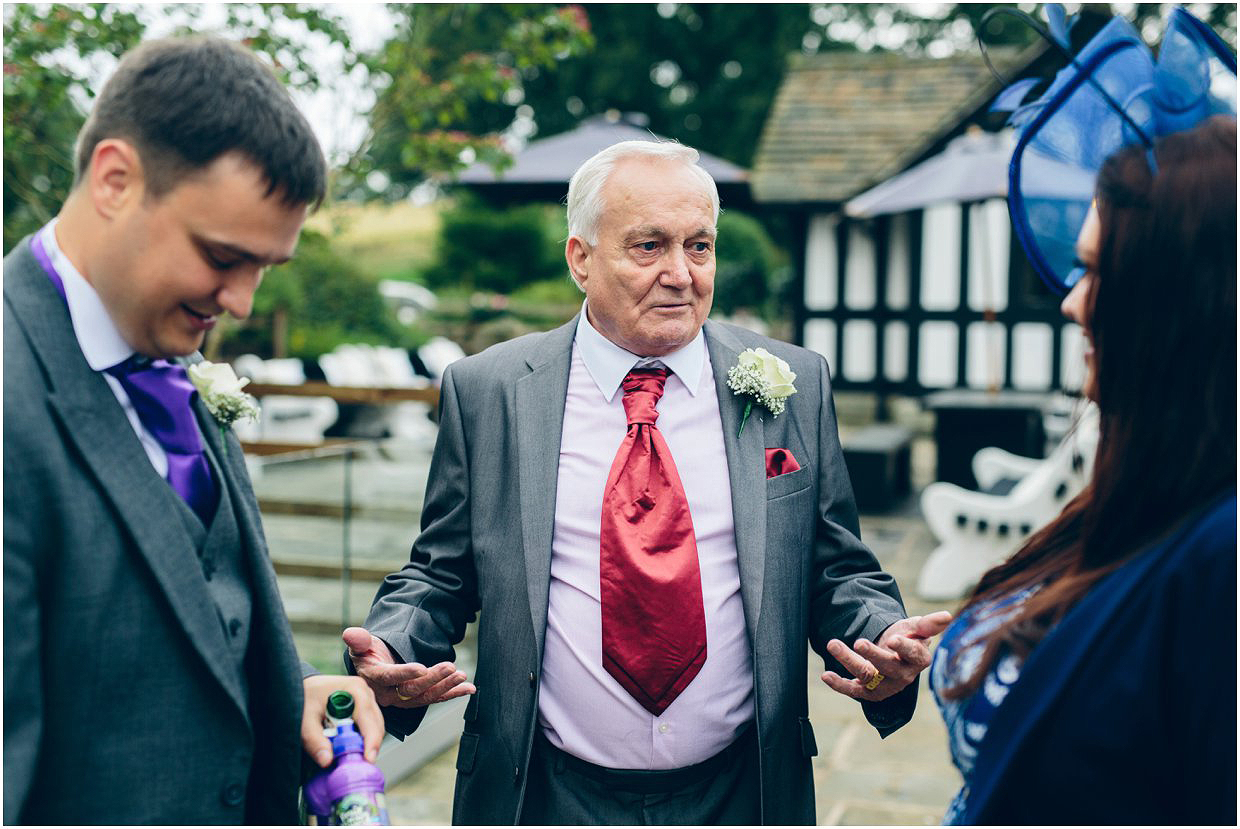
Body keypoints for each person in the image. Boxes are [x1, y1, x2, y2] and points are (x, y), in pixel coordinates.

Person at [343, 140, 951, 825]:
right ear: (580, 258)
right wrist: (393, 644)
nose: (680, 273)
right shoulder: (491, 392)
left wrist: (879, 634)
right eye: (648, 246)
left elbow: (837, 569)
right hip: (543, 792)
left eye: (699, 246)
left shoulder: (794, 383)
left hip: (744, 791)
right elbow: (441, 574)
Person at [3, 37, 382, 824]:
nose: (241, 301)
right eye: (222, 256)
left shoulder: (174, 355)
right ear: (115, 179)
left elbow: (188, 625)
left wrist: (292, 689)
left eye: (265, 268)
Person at [930, 115, 1236, 824]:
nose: (1071, 300)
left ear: (1183, 300)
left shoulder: (1226, 554)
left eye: (1098, 270)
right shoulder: (1149, 494)